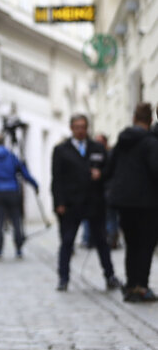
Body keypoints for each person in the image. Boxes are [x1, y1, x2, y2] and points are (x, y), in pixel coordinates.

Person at [51, 114, 120, 292]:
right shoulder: (61, 150)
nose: (80, 130)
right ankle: (63, 278)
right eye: (77, 127)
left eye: (83, 126)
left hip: (94, 202)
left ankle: (110, 276)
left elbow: (109, 170)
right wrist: (59, 202)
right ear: (71, 128)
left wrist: (101, 175)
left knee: (101, 242)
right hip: (71, 203)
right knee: (67, 241)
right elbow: (56, 179)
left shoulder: (97, 148)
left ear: (87, 127)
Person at [104, 103, 158, 302]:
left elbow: (109, 169)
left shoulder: (122, 141)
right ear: (150, 120)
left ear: (134, 118)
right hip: (147, 203)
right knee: (145, 245)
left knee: (132, 244)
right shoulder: (151, 142)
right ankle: (141, 286)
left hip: (124, 202)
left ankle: (131, 284)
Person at [0, 133, 39, 259]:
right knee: (16, 221)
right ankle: (19, 249)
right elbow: (24, 172)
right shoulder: (11, 156)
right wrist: (34, 184)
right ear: (4, 143)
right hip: (12, 192)